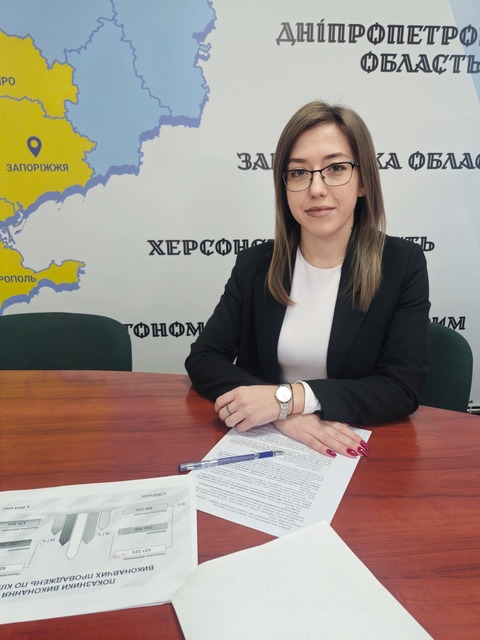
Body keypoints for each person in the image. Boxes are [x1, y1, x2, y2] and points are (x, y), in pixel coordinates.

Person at [185, 100, 430, 459]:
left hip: (355, 447)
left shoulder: (401, 263)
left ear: (363, 182)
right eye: (299, 172)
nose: (316, 188)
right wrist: (283, 416)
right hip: (266, 443)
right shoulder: (256, 264)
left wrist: (286, 399)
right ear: (284, 187)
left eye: (336, 168)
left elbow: (400, 388)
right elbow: (205, 358)